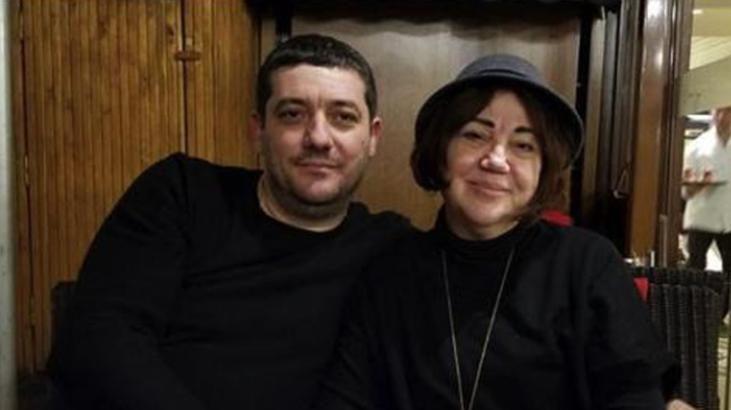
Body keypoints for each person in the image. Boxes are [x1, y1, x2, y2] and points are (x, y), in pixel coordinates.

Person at [47, 34, 409, 410]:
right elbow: (98, 339)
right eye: (292, 114)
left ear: (372, 137)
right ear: (258, 130)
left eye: (343, 117)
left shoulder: (389, 249)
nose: (318, 138)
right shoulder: (184, 194)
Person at [313, 54, 678, 410]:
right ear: (440, 153)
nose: (496, 160)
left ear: (543, 170)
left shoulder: (586, 264)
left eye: (524, 145)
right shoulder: (390, 274)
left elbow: (635, 393)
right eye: (475, 135)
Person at [682, 105, 731, 275]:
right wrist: (697, 185)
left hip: (729, 217)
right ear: (713, 113)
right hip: (702, 217)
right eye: (719, 111)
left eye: (728, 111)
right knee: (695, 267)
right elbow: (685, 190)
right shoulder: (697, 147)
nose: (723, 117)